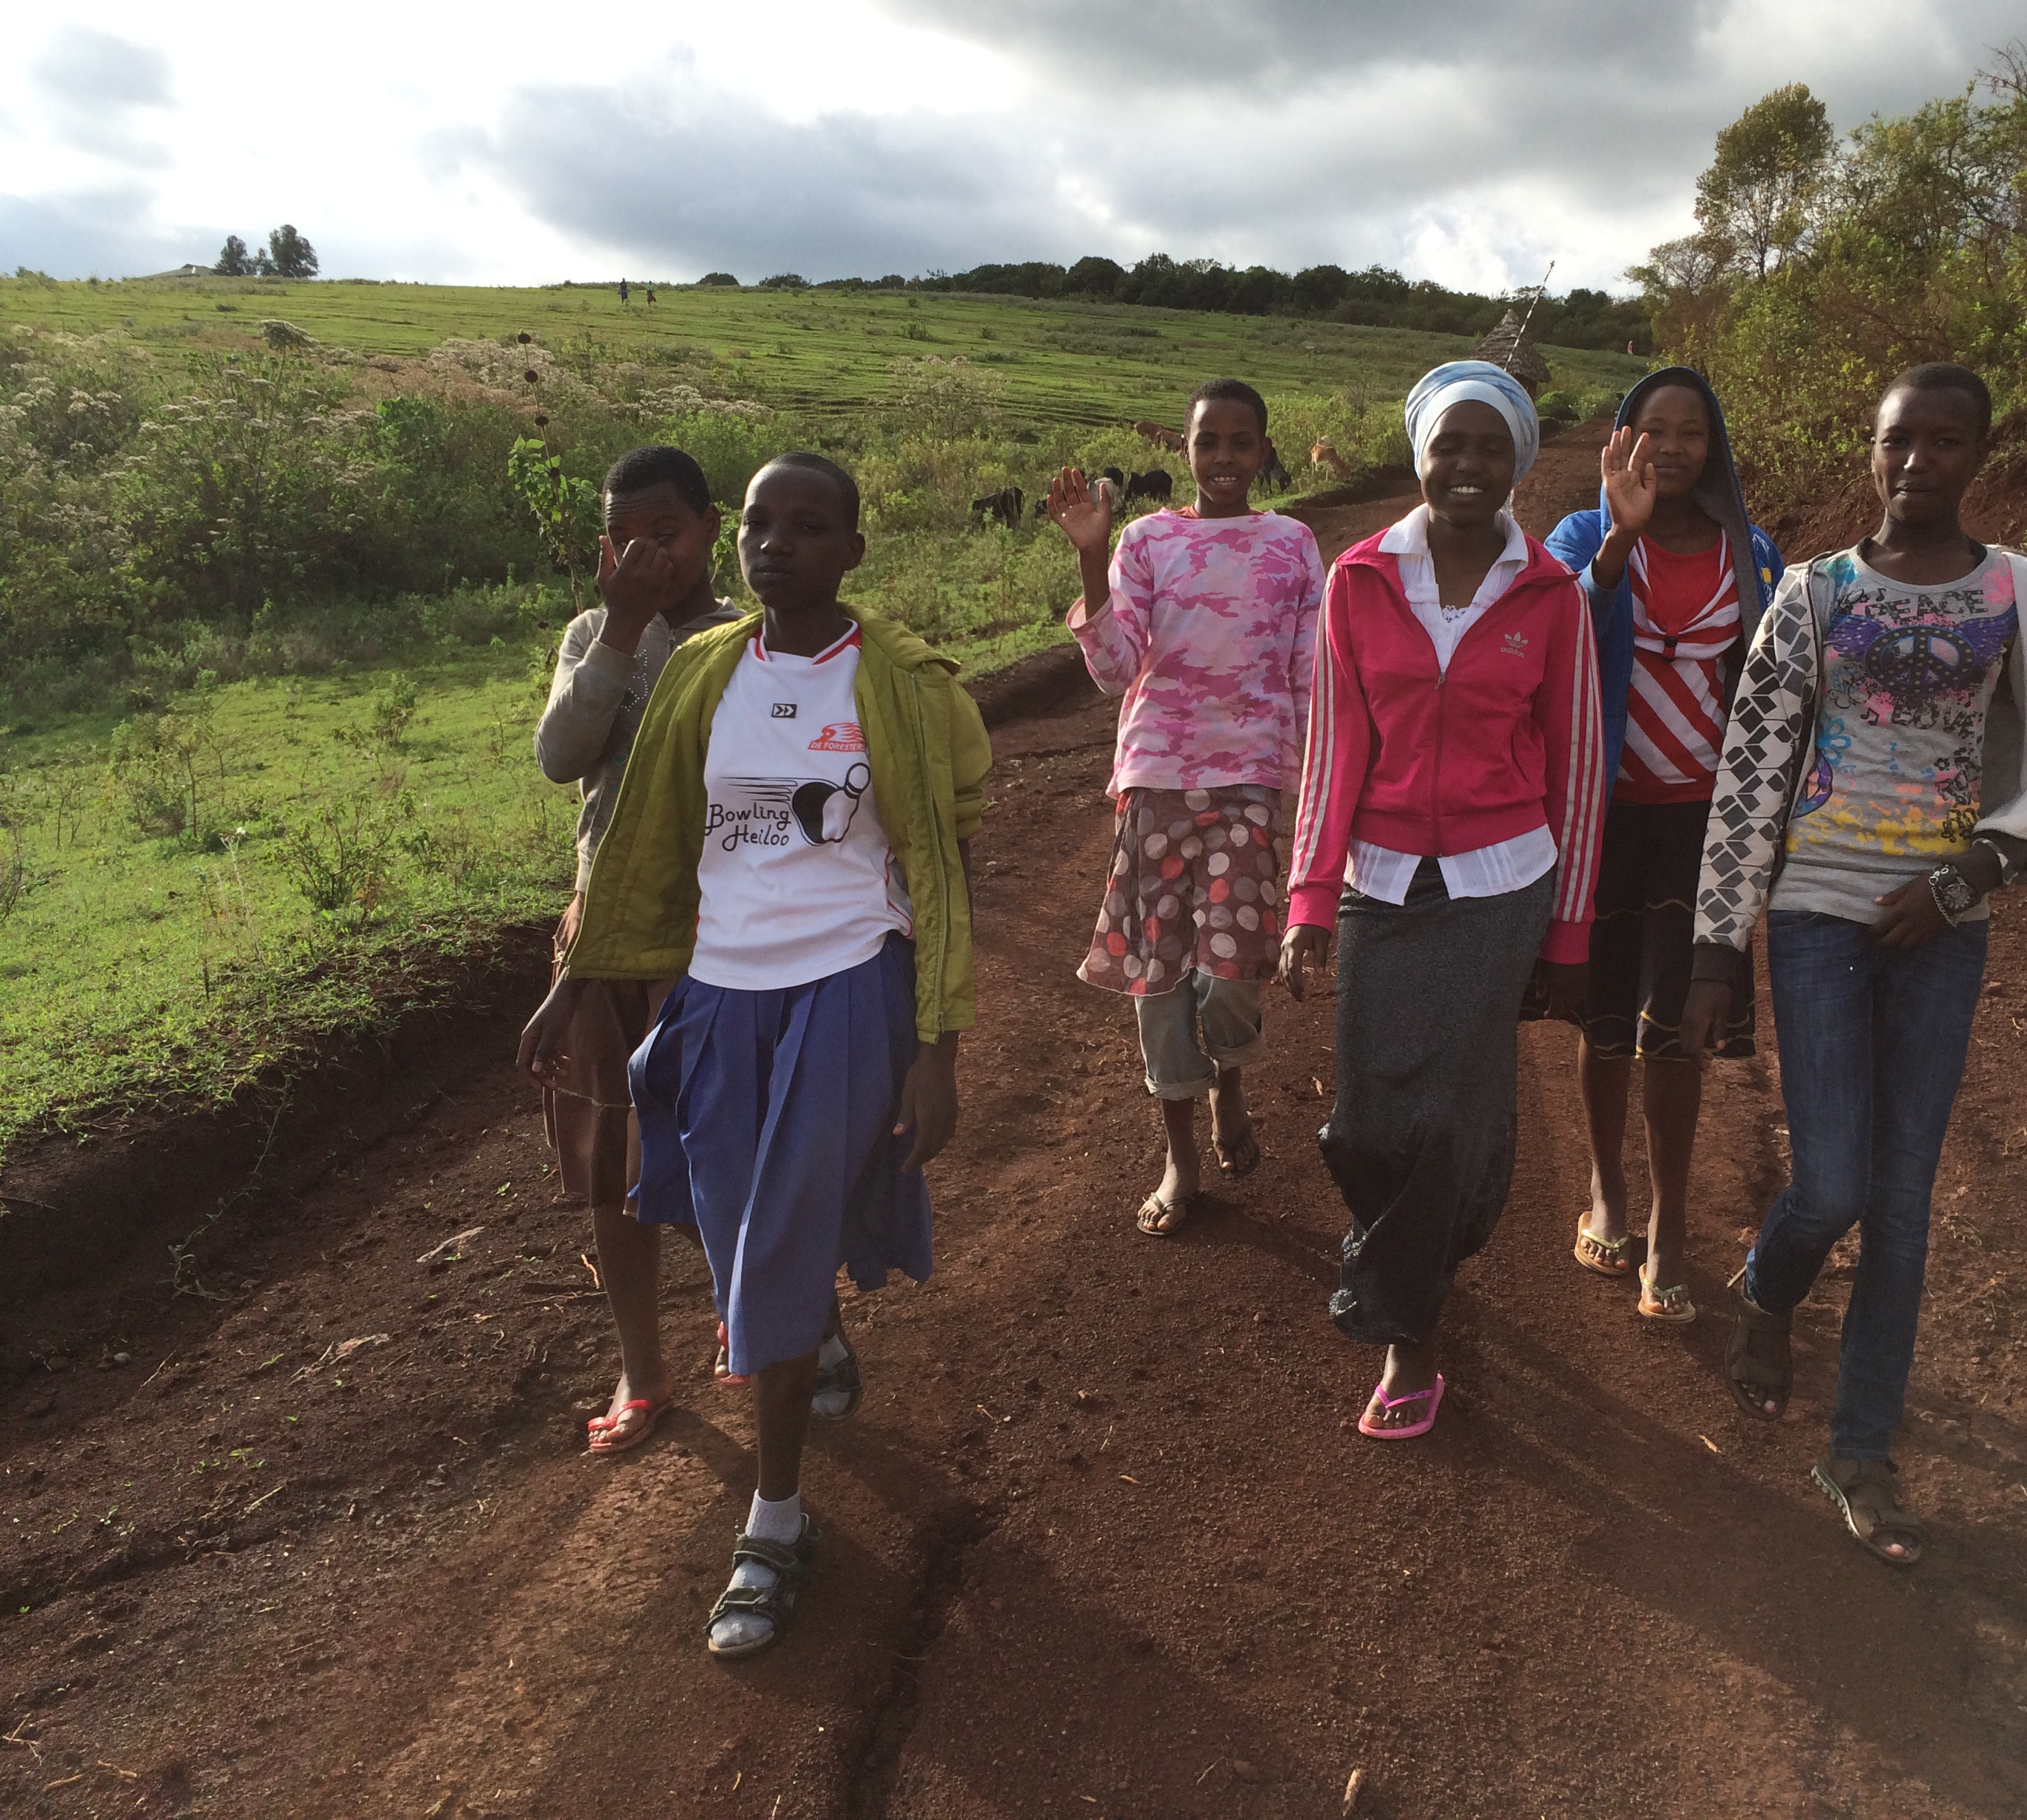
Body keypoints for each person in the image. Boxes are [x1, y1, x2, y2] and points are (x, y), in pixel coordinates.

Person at [518, 451, 990, 1654]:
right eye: (763, 523)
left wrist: (936, 1043)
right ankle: (804, 1324)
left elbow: (943, 861)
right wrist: (574, 984)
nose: (777, 543)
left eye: (809, 525)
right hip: (719, 999)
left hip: (847, 990)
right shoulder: (700, 670)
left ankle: (773, 1525)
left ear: (853, 551)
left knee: (769, 1267)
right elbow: (642, 838)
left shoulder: (904, 682)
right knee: (740, 1245)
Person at [1681, 362, 2027, 1567]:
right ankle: (1768, 1289)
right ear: (1870, 449)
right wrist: (1716, 942)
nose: (1916, 461)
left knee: (1903, 1200)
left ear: (1980, 453)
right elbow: (1753, 768)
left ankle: (1860, 1449)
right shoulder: (1812, 594)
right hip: (1816, 906)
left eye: (1944, 441)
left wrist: (1962, 882)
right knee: (1831, 1187)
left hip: (1941, 927)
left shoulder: (2024, 595)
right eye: (1896, 440)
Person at [1280, 361, 1606, 1441]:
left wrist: (1569, 932)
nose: (1467, 465)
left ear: (1518, 462)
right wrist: (1309, 900)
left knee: (1445, 1116)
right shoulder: (1359, 580)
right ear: (1418, 454)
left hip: (1501, 884)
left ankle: (1404, 1335)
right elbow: (1335, 749)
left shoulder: (1551, 595)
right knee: (1366, 1123)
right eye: (1447, 445)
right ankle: (1434, 1232)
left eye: (1489, 447)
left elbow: (1577, 768)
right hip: (1379, 878)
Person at [1047, 379, 1324, 1236]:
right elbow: (1111, 669)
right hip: (1157, 782)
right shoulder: (1145, 541)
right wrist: (1091, 558)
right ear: (1185, 449)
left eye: (1242, 443)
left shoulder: (1292, 544)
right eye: (1209, 442)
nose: (1225, 458)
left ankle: (1229, 1081)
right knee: (1158, 978)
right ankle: (1181, 1156)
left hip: (1252, 785)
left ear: (1264, 451)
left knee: (1230, 975)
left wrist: (1311, 796)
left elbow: (1310, 677)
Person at [1545, 370, 1781, 1323]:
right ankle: (1608, 1190)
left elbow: (1775, 687)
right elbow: (1550, 633)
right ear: (1621, 441)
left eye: (1691, 432)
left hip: (1706, 827)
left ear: (1714, 447)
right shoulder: (1580, 535)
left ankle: (1670, 1223)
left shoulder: (1750, 553)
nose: (1672, 449)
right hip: (1602, 818)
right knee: (1604, 1021)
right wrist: (1620, 540)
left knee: (1680, 1029)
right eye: (1653, 431)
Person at [530, 445, 739, 1455]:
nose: (646, 553)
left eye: (666, 532)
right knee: (615, 1163)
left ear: (711, 529)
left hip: (718, 936)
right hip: (606, 934)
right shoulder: (593, 634)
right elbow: (560, 756)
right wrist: (618, 628)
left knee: (713, 1146)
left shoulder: (750, 638)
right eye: (623, 536)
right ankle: (643, 1366)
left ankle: (749, 1300)